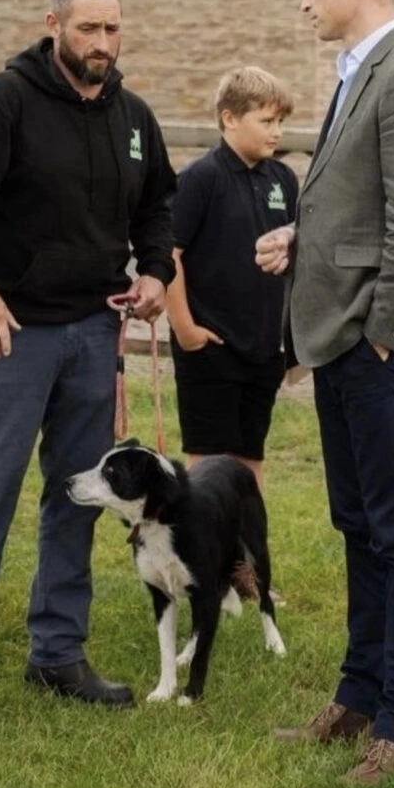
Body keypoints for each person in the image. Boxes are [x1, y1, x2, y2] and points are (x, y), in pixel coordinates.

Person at [0, 0, 176, 720]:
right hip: (11, 334)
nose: (102, 43)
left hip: (94, 332)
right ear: (53, 24)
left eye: (113, 29)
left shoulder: (133, 116)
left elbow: (158, 205)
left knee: (78, 498)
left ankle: (57, 654)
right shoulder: (6, 101)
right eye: (88, 28)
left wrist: (154, 272)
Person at [256, 0, 394, 786]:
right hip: (338, 341)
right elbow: (364, 201)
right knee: (356, 526)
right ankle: (359, 693)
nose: (302, 0)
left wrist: (379, 332)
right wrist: (302, 234)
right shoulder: (354, 71)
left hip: (378, 346)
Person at [166, 66, 298, 493]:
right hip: (211, 346)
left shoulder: (283, 179)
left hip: (262, 348)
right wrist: (185, 329)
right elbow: (170, 255)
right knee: (209, 465)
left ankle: (247, 557)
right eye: (266, 121)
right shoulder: (200, 179)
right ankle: (206, 556)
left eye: (281, 122)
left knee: (249, 458)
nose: (276, 132)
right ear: (229, 118)